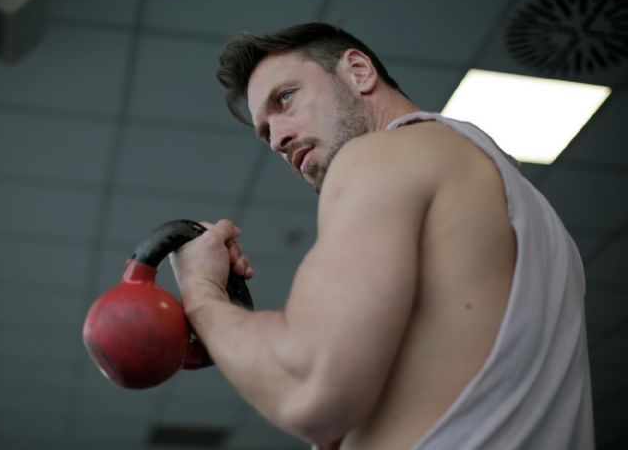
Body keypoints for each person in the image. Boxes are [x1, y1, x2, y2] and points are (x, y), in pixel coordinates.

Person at [169, 23, 594, 449]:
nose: (278, 139)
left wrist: (201, 291)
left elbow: (309, 390)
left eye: (285, 98)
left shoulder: (380, 155)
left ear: (358, 71)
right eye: (265, 133)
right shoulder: (526, 211)